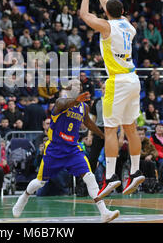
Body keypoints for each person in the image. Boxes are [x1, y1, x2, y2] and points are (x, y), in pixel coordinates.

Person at [12, 81, 120, 223]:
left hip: (72, 150)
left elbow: (88, 122)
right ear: (67, 90)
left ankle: (104, 212)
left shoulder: (83, 107)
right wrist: (75, 100)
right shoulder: (60, 102)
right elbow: (64, 105)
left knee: (89, 176)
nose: (77, 88)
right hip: (55, 150)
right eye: (73, 86)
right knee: (40, 182)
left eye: (79, 86)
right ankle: (24, 197)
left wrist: (101, 135)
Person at [80, 0, 145, 198]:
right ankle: (136, 171)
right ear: (123, 12)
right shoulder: (129, 26)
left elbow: (84, 14)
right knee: (130, 127)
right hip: (133, 78)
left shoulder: (106, 26)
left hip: (117, 81)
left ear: (107, 13)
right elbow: (112, 8)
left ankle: (110, 177)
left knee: (110, 130)